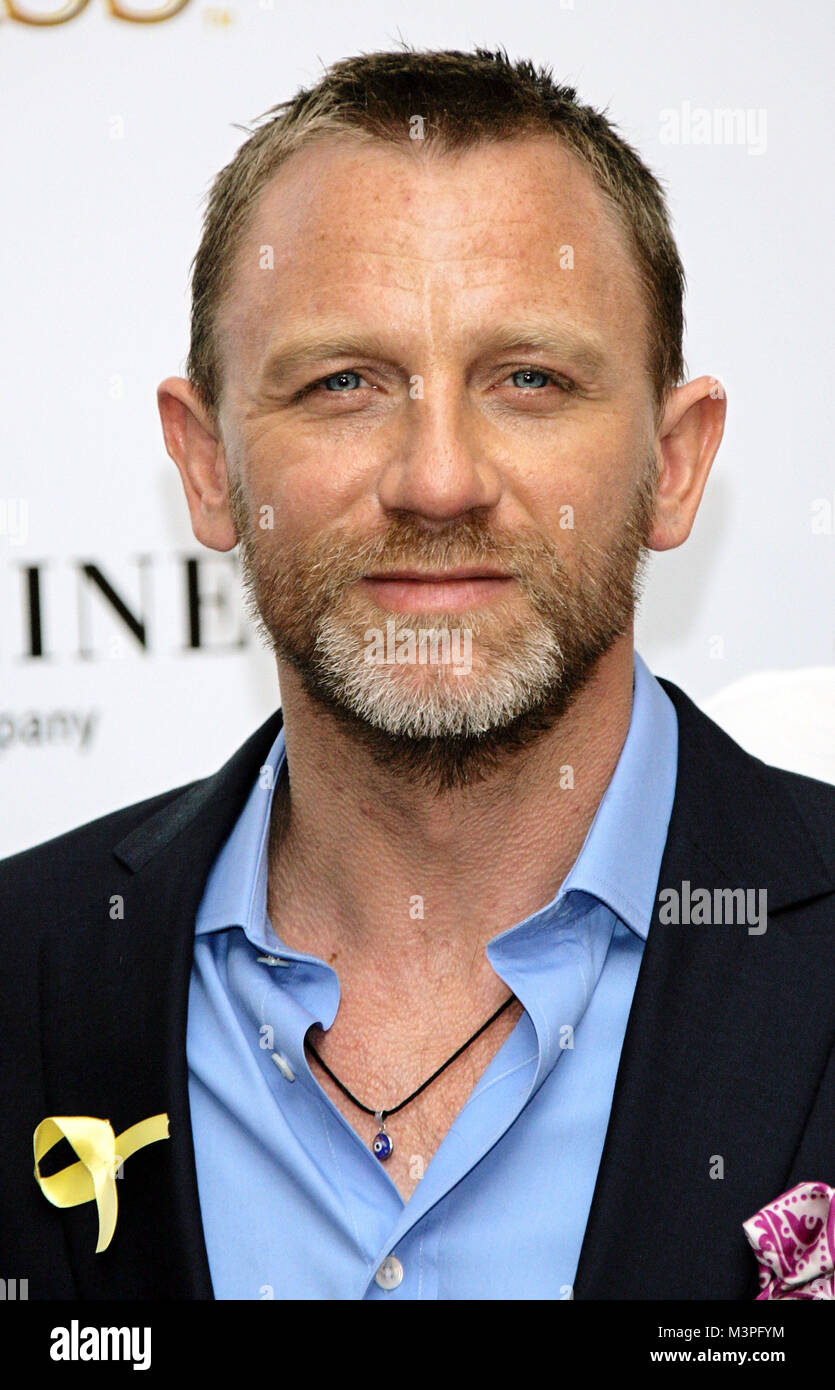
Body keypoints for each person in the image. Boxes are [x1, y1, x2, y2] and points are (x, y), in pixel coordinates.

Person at [2, 46, 833, 1302]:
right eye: (344, 384)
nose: (437, 478)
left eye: (529, 381)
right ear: (208, 464)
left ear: (673, 462)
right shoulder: (25, 975)